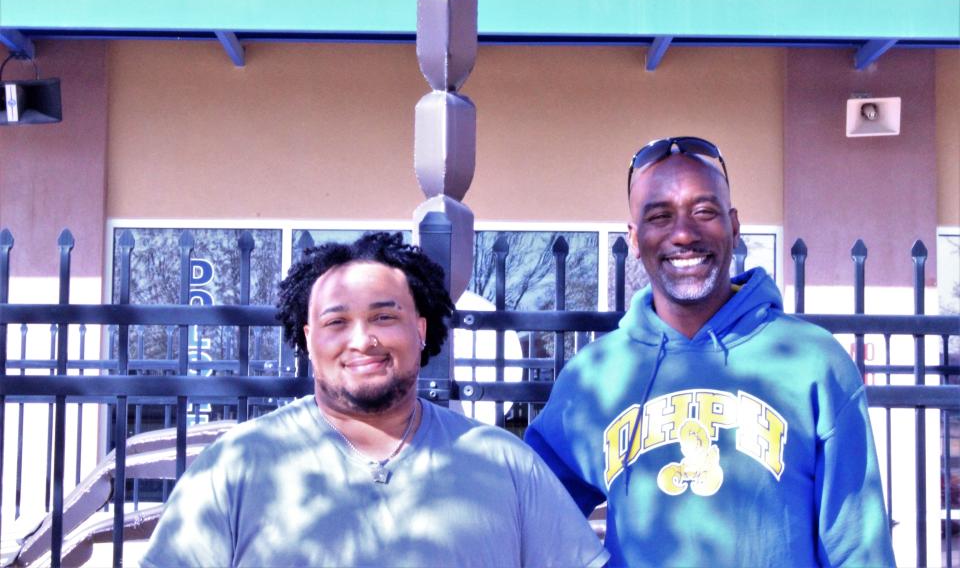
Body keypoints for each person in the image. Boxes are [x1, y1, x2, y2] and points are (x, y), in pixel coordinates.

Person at [524, 137, 896, 567]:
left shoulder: (813, 360)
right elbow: (528, 513)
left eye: (704, 212)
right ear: (634, 237)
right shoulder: (594, 375)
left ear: (734, 227)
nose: (683, 233)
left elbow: (857, 543)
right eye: (659, 216)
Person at [141, 232, 607, 568]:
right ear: (308, 338)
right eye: (336, 322)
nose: (362, 340)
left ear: (420, 329)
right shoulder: (236, 465)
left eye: (384, 316)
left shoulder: (503, 464)